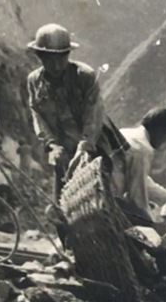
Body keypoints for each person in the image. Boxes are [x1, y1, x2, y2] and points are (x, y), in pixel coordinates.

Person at [26, 24, 126, 195]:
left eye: (61, 58)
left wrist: (84, 147)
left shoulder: (84, 76)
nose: (57, 66)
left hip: (94, 148)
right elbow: (37, 115)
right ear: (39, 56)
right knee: (64, 201)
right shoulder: (34, 81)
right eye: (50, 59)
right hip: (62, 153)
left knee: (106, 197)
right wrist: (52, 145)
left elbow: (93, 114)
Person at [118, 108, 166, 221]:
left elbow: (141, 179)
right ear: (160, 129)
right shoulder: (141, 149)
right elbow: (137, 197)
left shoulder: (125, 133)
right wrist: (151, 223)